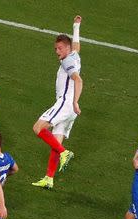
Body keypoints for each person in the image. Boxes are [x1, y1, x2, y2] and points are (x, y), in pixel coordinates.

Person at [32, 15, 83, 189]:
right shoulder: (74, 55)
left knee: (38, 127)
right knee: (56, 141)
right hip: (70, 111)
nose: (57, 52)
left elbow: (78, 80)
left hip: (65, 104)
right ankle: (49, 178)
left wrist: (75, 102)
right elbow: (76, 46)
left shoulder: (67, 61)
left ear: (66, 49)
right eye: (55, 48)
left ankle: (65, 153)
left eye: (60, 48)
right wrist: (76, 27)